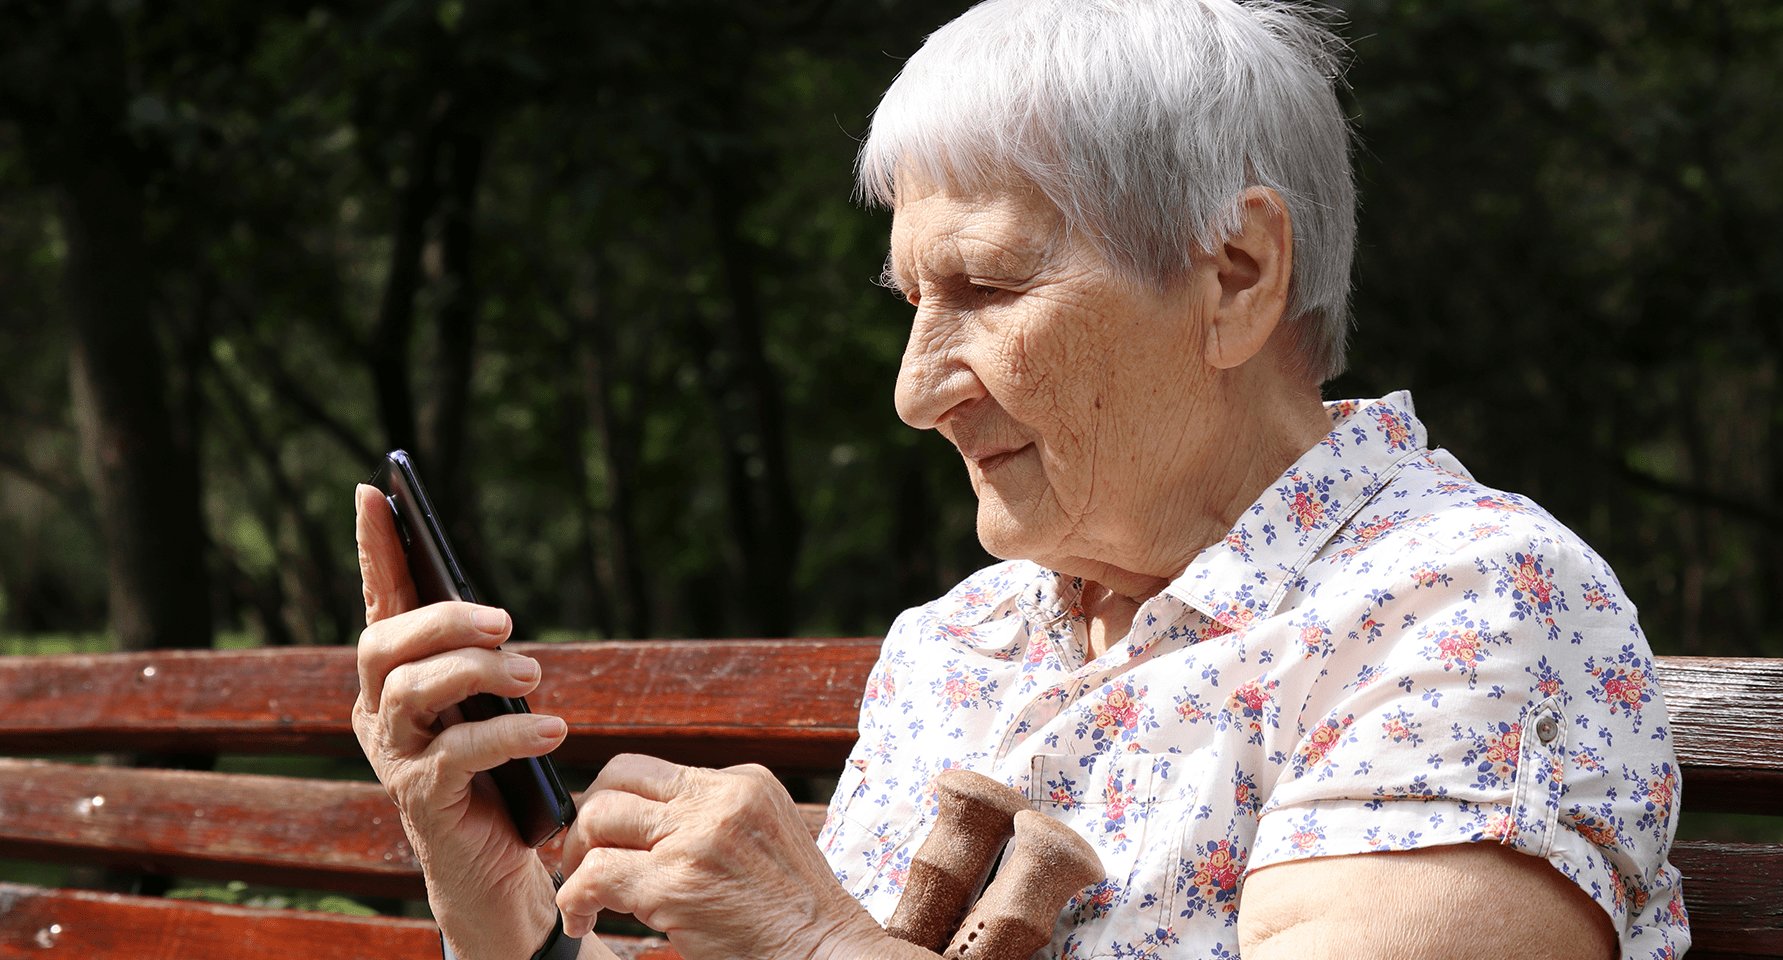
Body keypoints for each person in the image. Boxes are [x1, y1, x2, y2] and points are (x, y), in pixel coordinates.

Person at [352, 1, 1689, 958]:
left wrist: (817, 943)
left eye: (986, 288)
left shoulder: (1463, 611)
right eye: (911, 300)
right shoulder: (964, 640)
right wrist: (497, 907)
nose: (914, 385)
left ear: (1235, 277)